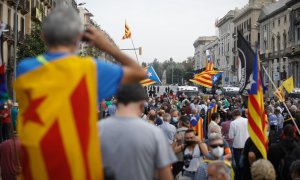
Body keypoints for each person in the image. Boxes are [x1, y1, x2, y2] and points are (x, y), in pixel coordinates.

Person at [15, 6, 146, 180]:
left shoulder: (25, 69)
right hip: (79, 173)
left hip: (35, 172)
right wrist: (106, 46)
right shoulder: (90, 70)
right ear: (78, 38)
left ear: (43, 36)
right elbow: (139, 72)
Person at [98, 83, 176, 180]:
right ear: (142, 104)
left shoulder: (98, 129)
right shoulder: (155, 133)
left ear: (117, 101)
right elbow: (165, 176)